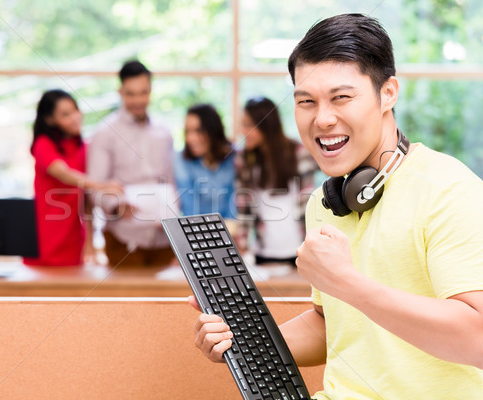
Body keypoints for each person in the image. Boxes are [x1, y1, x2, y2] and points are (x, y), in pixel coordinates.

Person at [190, 13, 483, 399]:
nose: (322, 118)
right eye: (306, 102)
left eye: (341, 97)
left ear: (388, 93)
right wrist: (244, 341)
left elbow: (476, 339)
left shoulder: (448, 188)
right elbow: (336, 326)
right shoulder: (326, 203)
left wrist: (347, 283)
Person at [87, 60, 176, 267]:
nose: (138, 100)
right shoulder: (105, 133)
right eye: (131, 93)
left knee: (168, 300)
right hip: (123, 240)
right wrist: (117, 207)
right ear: (120, 92)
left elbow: (170, 180)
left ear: (151, 90)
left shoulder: (164, 132)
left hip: (163, 240)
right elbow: (95, 186)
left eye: (143, 93)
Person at [24, 89, 121, 267]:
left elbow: (86, 202)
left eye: (75, 110)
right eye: (65, 114)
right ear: (50, 119)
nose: (75, 117)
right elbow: (64, 173)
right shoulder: (43, 144)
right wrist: (103, 185)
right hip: (45, 234)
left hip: (73, 237)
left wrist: (90, 242)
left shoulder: (84, 148)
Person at [236, 96, 318, 264]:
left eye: (248, 125)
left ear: (266, 125)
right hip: (262, 251)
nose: (243, 131)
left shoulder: (298, 152)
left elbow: (308, 202)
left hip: (299, 249)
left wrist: (313, 245)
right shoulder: (244, 160)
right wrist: (241, 245)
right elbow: (244, 208)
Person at [174, 103, 236, 219]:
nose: (190, 138)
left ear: (212, 130)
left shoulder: (233, 157)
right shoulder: (182, 159)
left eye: (198, 130)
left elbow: (232, 203)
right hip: (198, 229)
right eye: (187, 131)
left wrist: (228, 229)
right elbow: (189, 207)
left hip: (228, 228)